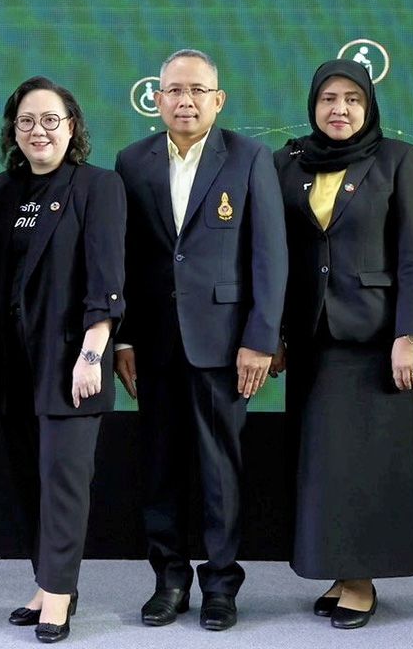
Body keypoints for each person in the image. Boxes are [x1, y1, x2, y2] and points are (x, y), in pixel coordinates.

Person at [113, 49, 286, 631]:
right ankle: (168, 579)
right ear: (156, 98)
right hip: (155, 345)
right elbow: (128, 261)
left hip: (226, 344)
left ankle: (220, 584)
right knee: (158, 466)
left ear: (219, 99)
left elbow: (269, 257)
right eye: (173, 91)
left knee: (220, 467)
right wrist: (124, 340)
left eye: (197, 91)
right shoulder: (131, 161)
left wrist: (260, 339)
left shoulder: (250, 158)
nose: (185, 101)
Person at [272, 59, 413, 629]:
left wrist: (410, 334)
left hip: (377, 340)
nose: (339, 110)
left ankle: (362, 579)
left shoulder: (398, 160)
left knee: (367, 464)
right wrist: (276, 334)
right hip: (312, 339)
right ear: (313, 105)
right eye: (328, 99)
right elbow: (276, 256)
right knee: (325, 466)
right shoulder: (288, 162)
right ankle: (341, 570)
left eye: (352, 100)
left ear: (368, 106)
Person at [0, 77, 124, 643]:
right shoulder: (1, 190)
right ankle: (45, 582)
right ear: (14, 130)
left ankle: (59, 595)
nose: (39, 131)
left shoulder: (98, 187)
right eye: (27, 121)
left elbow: (107, 282)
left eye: (51, 120)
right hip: (12, 364)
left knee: (64, 482)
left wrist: (92, 353)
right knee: (28, 479)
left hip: (72, 361)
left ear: (73, 127)